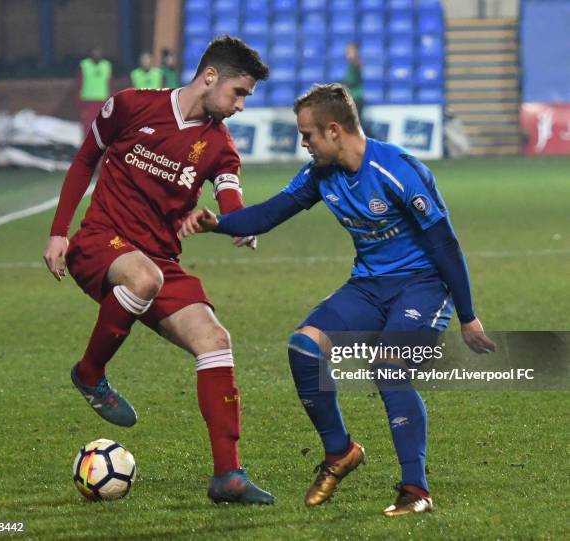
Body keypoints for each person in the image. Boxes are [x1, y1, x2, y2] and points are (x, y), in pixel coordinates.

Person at [179, 84, 497, 514]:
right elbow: (271, 213)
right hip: (368, 286)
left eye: (307, 135)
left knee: (389, 366)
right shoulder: (319, 175)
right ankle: (339, 452)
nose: (303, 143)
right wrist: (219, 223)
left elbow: (445, 246)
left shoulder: (398, 170)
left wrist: (469, 316)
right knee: (304, 348)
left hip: (422, 285)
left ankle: (416, 490)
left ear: (333, 131)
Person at [43, 36, 273, 505]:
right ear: (210, 76)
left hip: (159, 260)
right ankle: (90, 373)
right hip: (100, 242)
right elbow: (86, 158)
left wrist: (237, 224)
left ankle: (227, 475)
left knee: (215, 341)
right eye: (239, 92)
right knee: (143, 278)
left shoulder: (219, 145)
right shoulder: (129, 107)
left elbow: (229, 192)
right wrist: (58, 232)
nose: (242, 106)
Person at [76, 47, 113, 138]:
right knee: (87, 126)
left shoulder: (106, 65)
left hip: (103, 101)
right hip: (88, 101)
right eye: (94, 53)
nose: (96, 55)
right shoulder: (84, 65)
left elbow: (111, 85)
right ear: (90, 54)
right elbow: (78, 85)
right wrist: (79, 104)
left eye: (98, 52)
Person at [343, 43, 364, 126]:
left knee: (355, 124)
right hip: (351, 97)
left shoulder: (355, 64)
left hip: (356, 97)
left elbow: (351, 81)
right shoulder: (350, 65)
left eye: (350, 52)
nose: (347, 54)